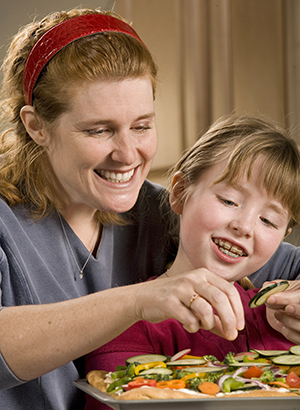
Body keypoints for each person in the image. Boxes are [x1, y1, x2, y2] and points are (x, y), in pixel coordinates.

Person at [0, 5, 299, 410]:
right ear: (37, 126)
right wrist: (139, 300)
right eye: (99, 129)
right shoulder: (7, 226)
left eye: (142, 125)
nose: (128, 154)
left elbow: (282, 263)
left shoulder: (161, 210)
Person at [84, 114, 300, 409]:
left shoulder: (285, 324)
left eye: (268, 220)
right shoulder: (128, 325)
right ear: (180, 193)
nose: (245, 226)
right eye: (228, 201)